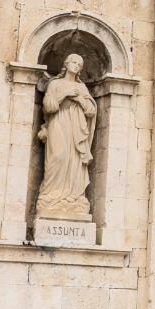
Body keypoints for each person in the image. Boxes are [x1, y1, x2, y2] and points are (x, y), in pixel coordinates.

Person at [36, 54, 97, 219]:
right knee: (58, 156)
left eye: (80, 64)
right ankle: (50, 195)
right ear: (66, 63)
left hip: (76, 126)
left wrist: (78, 99)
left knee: (74, 161)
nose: (76, 65)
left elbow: (91, 111)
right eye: (74, 62)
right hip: (58, 122)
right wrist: (65, 94)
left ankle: (73, 196)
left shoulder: (82, 88)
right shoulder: (55, 83)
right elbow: (48, 107)